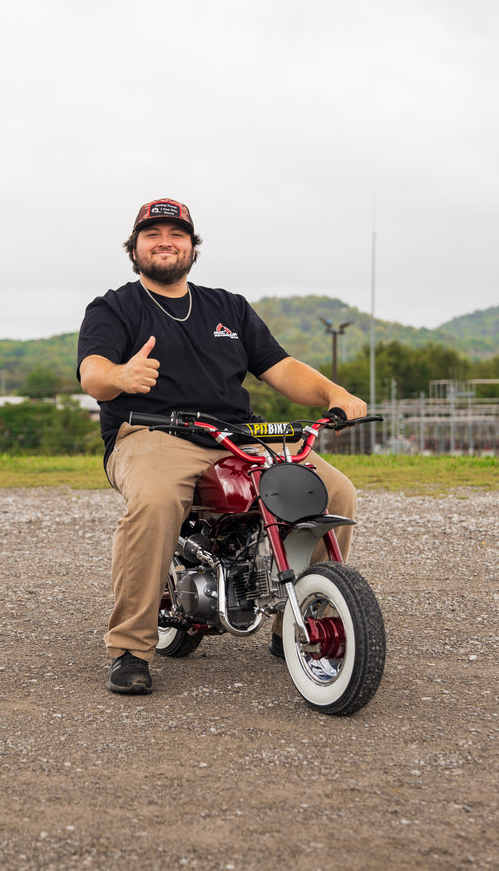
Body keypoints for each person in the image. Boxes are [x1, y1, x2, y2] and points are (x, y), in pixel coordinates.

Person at [77, 197, 367, 695]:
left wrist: (334, 395)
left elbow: (282, 368)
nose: (165, 242)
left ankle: (295, 624)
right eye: (152, 234)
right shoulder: (114, 307)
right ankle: (130, 646)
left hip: (235, 433)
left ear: (192, 246)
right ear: (135, 247)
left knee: (335, 492)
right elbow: (93, 374)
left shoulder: (228, 306)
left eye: (176, 234)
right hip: (152, 432)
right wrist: (122, 374)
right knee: (155, 500)